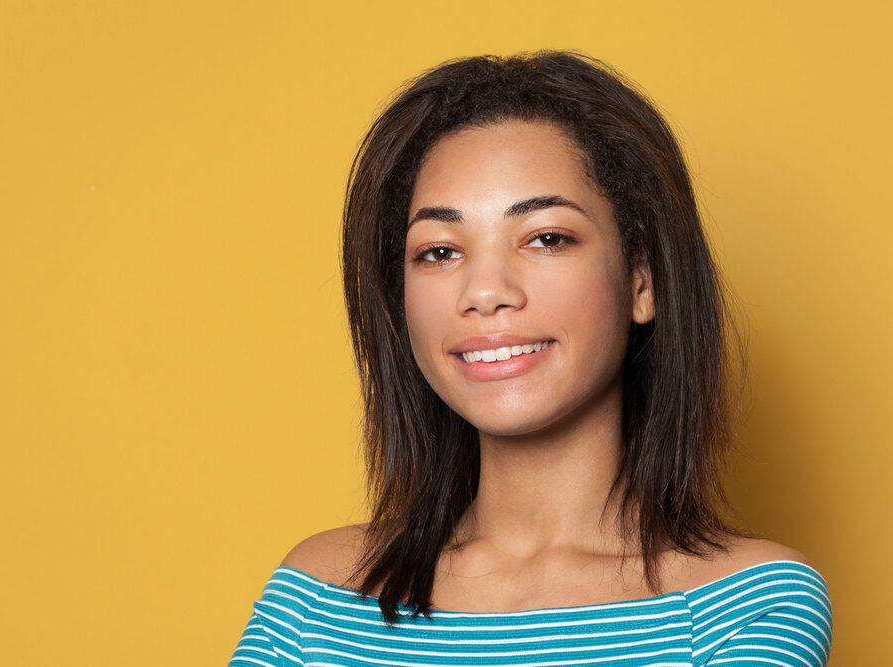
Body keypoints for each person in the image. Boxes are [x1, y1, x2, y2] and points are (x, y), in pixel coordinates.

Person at [229, 50, 833, 666]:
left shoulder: (747, 603)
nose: (485, 292)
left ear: (642, 282)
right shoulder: (318, 594)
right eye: (439, 252)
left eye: (546, 238)